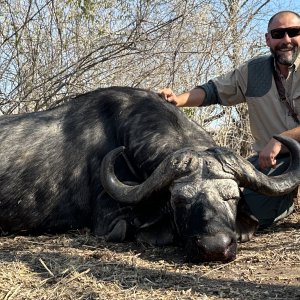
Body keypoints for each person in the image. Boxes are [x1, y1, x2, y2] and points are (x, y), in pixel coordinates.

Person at [159, 10, 300, 229]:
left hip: (283, 152)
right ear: (268, 39)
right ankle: (286, 196)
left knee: (247, 218)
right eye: (278, 34)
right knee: (231, 198)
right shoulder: (253, 71)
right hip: (271, 160)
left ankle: (288, 197)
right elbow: (212, 91)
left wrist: (281, 139)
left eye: (293, 32)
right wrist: (177, 100)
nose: (286, 40)